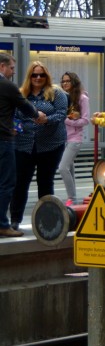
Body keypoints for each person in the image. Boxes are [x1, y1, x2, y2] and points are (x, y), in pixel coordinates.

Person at [11, 61, 67, 232]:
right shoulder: (20, 94)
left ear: (46, 76)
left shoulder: (57, 93)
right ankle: (14, 221)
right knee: (20, 183)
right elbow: (14, 116)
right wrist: (15, 127)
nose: (37, 78)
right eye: (34, 74)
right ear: (29, 76)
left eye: (41, 75)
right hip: (24, 144)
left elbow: (61, 114)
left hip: (50, 145)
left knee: (45, 182)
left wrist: (46, 119)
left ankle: (47, 222)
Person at [0, 53, 44, 237]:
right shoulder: (7, 85)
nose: (12, 72)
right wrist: (38, 115)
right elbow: (24, 105)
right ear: (2, 66)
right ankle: (2, 224)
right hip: (3, 140)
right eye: (11, 68)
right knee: (6, 183)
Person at [57, 71, 90, 203]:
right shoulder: (64, 97)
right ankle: (73, 199)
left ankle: (71, 198)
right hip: (63, 138)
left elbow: (86, 120)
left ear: (74, 82)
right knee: (69, 169)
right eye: (63, 81)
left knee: (62, 168)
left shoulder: (82, 98)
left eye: (67, 81)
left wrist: (67, 121)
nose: (65, 84)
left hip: (74, 139)